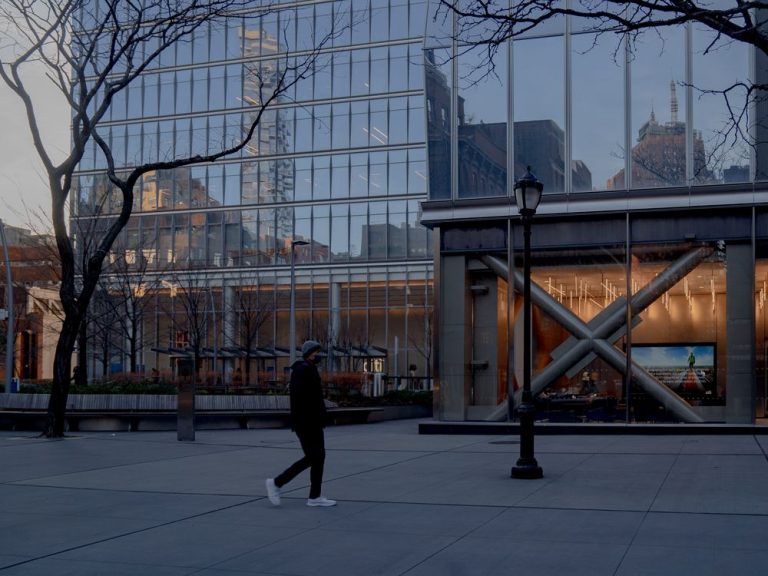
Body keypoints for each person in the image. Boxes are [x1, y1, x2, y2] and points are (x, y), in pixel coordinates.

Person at [266, 340, 336, 507]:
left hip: (314, 422)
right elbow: (301, 400)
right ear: (309, 353)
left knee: (319, 458)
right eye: (315, 352)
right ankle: (276, 483)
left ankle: (314, 497)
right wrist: (306, 420)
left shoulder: (309, 369)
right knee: (314, 457)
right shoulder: (301, 370)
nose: (318, 355)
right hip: (306, 423)